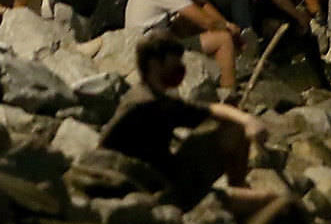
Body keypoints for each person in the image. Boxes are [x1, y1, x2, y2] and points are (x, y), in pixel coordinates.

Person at [97, 32, 272, 211]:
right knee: (268, 201)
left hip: (166, 176)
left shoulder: (147, 96)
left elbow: (207, 110)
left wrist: (246, 119)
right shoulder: (148, 105)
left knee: (234, 128)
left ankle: (238, 188)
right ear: (155, 64)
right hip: (163, 192)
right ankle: (238, 200)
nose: (180, 68)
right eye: (174, 63)